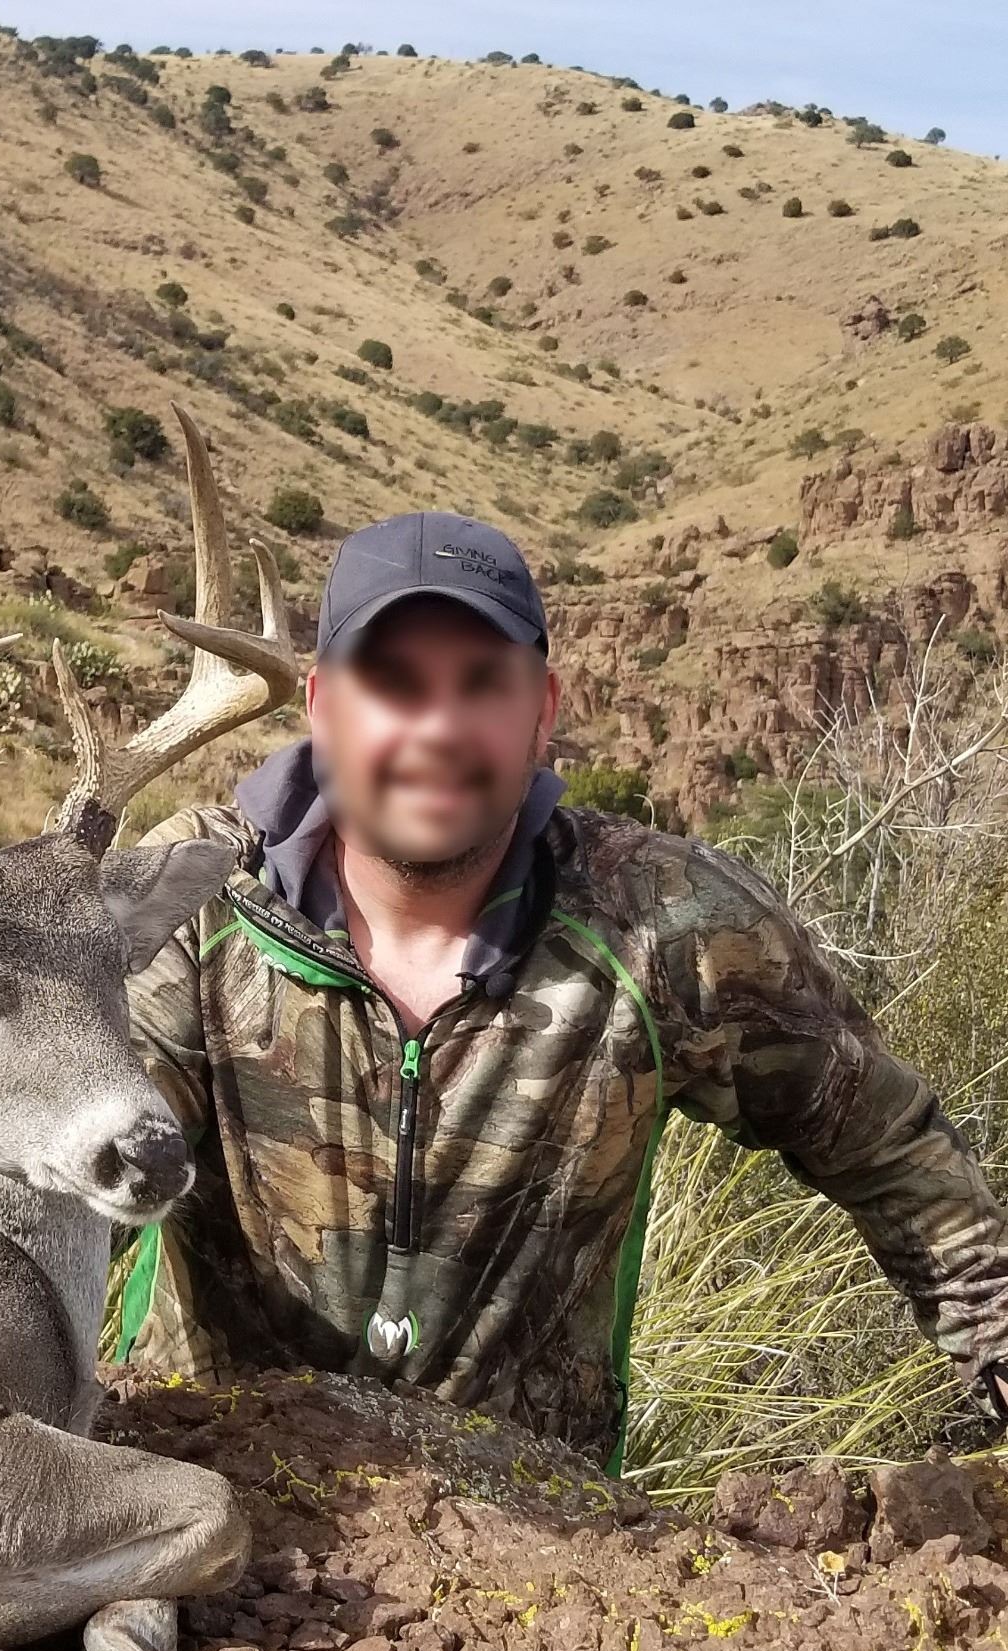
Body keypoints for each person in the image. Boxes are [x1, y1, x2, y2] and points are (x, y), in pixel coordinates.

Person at [115, 509, 1008, 1470]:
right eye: (396, 685)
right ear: (324, 706)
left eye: (481, 685)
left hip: (540, 1519)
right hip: (201, 1483)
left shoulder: (666, 920)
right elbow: (67, 1162)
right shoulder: (192, 897)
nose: (438, 728)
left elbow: (888, 1148)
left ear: (542, 711)